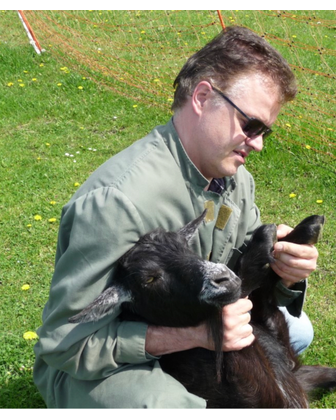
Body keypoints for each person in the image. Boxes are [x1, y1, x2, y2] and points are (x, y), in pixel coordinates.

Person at [33, 26, 319, 408]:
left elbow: (241, 273)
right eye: (250, 125)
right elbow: (66, 343)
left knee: (299, 331)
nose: (259, 143)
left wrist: (284, 267)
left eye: (265, 131)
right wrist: (198, 336)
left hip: (196, 328)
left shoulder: (235, 179)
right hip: (95, 365)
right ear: (203, 97)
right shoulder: (116, 203)